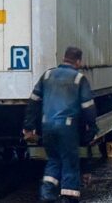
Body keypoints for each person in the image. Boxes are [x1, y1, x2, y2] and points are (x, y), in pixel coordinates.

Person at [23, 47, 98, 202]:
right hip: (67, 128)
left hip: (47, 126)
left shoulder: (47, 75)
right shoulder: (79, 78)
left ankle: (47, 194)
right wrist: (91, 128)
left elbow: (33, 102)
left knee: (53, 160)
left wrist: (29, 126)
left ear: (64, 58)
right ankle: (68, 198)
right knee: (70, 162)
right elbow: (88, 107)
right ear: (78, 61)